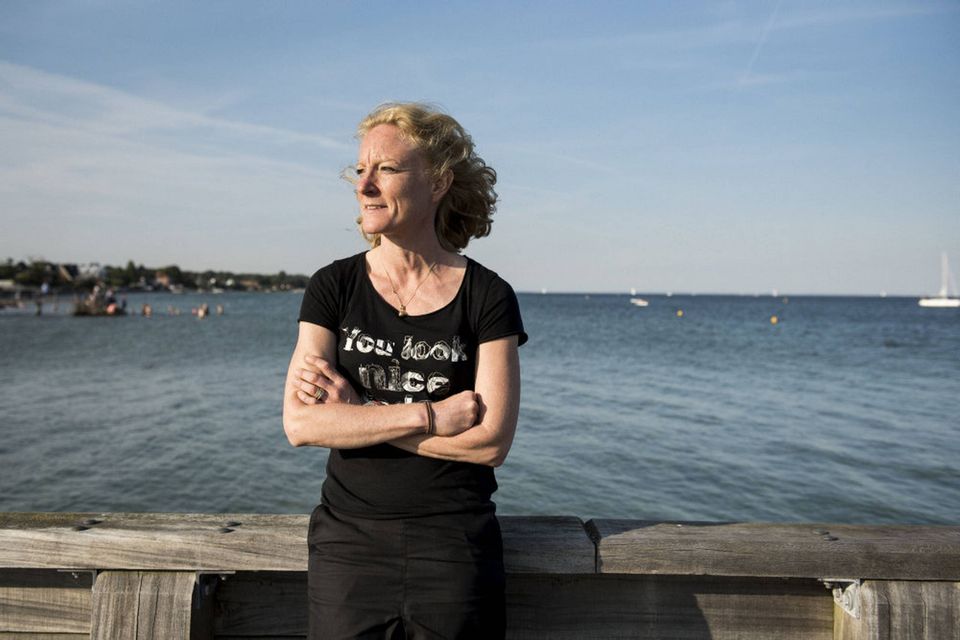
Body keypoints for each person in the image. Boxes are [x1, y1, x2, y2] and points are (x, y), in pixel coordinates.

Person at [284, 102, 526, 640]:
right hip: (348, 548)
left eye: (386, 169)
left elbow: (491, 444)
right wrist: (430, 416)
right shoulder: (332, 287)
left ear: (438, 182)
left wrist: (355, 415)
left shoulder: (488, 295)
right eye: (360, 170)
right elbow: (300, 424)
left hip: (455, 548)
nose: (364, 185)